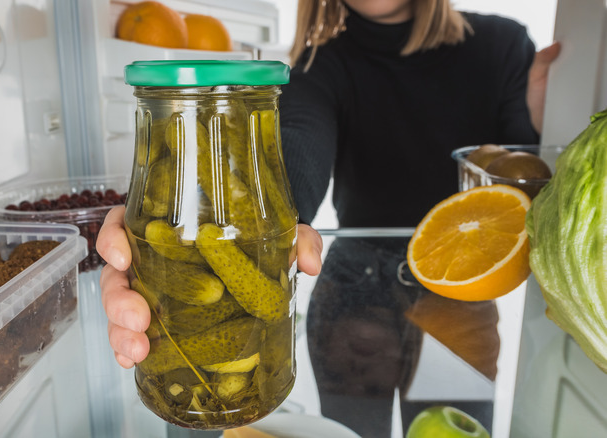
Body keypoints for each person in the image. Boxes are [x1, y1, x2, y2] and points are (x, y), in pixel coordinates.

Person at [97, 0, 560, 369]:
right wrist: (173, 233)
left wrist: (550, 118)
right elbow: (300, 149)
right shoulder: (321, 62)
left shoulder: (503, 44)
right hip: (357, 288)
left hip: (465, 288)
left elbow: (518, 179)